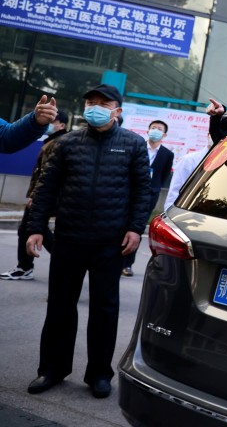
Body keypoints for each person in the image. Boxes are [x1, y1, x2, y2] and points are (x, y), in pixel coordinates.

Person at [25, 84, 151, 399]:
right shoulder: (67, 143)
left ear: (117, 110)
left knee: (104, 309)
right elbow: (47, 188)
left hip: (110, 243)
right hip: (69, 237)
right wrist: (36, 227)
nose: (95, 107)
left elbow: (142, 192)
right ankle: (51, 369)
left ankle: (99, 374)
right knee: (60, 307)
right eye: (90, 102)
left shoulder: (133, 145)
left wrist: (136, 228)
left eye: (103, 103)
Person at [0, 109, 68, 281]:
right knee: (35, 228)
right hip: (44, 196)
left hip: (47, 197)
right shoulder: (53, 140)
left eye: (53, 120)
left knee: (30, 228)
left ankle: (26, 266)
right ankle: (64, 262)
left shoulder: (60, 142)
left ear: (61, 125)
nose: (50, 124)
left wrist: (37, 196)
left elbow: (50, 174)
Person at [121, 119, 174, 277]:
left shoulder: (167, 154)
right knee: (122, 224)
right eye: (153, 128)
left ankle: (127, 264)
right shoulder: (138, 147)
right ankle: (116, 259)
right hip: (129, 191)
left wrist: (154, 187)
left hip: (149, 195)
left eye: (159, 129)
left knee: (136, 227)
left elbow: (164, 175)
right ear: (148, 130)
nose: (155, 130)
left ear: (164, 134)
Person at [163, 136, 211, 212]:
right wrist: (170, 214)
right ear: (208, 135)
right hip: (186, 212)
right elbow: (175, 191)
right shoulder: (189, 160)